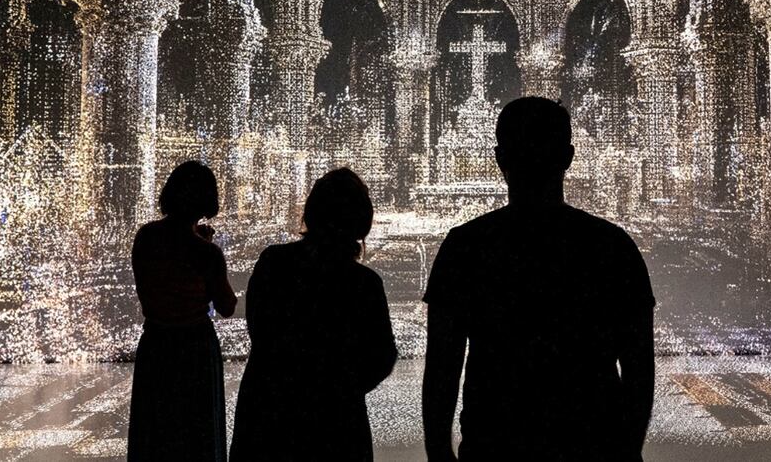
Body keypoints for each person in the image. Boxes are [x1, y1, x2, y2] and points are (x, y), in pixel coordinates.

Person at [422, 97, 656, 462]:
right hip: (592, 445)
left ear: (500, 158)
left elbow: (442, 367)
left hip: (496, 445)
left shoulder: (466, 247)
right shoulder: (612, 247)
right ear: (568, 157)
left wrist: (438, 452)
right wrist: (627, 451)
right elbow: (639, 369)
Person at [230, 168, 397, 461]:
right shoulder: (364, 284)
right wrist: (341, 388)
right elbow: (382, 356)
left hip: (269, 418)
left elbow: (260, 332)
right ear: (361, 221)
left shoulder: (273, 263)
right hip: (337, 426)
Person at [127, 161, 237, 462]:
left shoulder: (146, 237)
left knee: (156, 432)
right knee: (195, 433)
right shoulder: (206, 253)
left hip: (156, 344)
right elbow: (227, 306)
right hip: (195, 349)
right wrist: (208, 251)